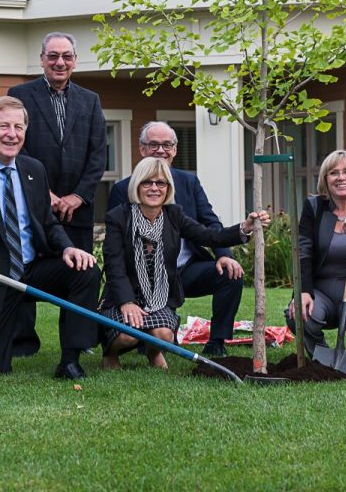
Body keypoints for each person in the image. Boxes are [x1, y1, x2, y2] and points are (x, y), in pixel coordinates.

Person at [0, 96, 100, 378]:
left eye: (19, 127)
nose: (12, 134)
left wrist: (67, 248)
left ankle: (70, 360)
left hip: (31, 269)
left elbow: (47, 223)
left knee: (85, 270)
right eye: (4, 126)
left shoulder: (33, 170)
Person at [101, 157, 270, 369]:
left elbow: (210, 236)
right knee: (127, 337)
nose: (154, 188)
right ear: (137, 185)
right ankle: (110, 352)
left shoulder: (174, 214)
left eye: (160, 183)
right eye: (147, 182)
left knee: (163, 335)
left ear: (168, 188)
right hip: (124, 294)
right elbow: (114, 265)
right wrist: (126, 302)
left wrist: (244, 228)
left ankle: (154, 351)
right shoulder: (119, 217)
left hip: (159, 296)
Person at [8, 32, 107, 357]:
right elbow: (16, 148)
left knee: (79, 272)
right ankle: (22, 341)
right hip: (34, 204)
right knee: (25, 266)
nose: (59, 62)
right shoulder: (20, 95)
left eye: (66, 56)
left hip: (78, 210)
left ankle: (77, 342)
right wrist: (44, 193)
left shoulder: (90, 99)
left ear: (75, 61)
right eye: (52, 56)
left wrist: (78, 196)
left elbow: (98, 155)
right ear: (42, 59)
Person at [108, 121, 244, 357]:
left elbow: (209, 223)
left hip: (185, 269)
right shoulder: (123, 189)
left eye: (167, 145)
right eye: (154, 145)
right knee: (139, 334)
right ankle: (145, 340)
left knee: (230, 275)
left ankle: (217, 341)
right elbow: (116, 253)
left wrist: (224, 255)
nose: (161, 150)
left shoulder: (189, 182)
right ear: (142, 149)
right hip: (142, 277)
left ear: (175, 149)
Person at [285, 150, 346, 363]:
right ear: (325, 179)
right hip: (321, 292)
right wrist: (302, 292)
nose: (341, 177)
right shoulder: (315, 207)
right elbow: (303, 251)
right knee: (299, 314)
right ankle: (322, 355)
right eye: (333, 173)